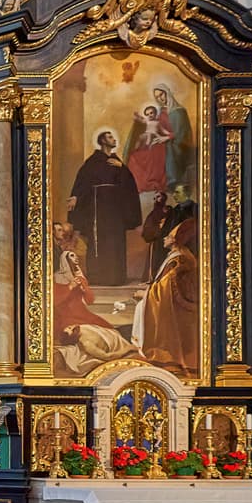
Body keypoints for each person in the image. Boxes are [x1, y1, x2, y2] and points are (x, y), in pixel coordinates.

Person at [69, 129, 143, 284]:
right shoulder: (92, 161)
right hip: (97, 208)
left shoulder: (118, 162)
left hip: (115, 210)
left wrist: (122, 168)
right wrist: (76, 196)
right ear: (102, 141)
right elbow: (82, 181)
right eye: (109, 136)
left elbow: (129, 184)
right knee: (99, 242)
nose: (113, 139)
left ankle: (116, 277)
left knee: (115, 241)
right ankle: (98, 277)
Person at [139, 208, 202, 373]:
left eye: (168, 236)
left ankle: (164, 356)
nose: (164, 238)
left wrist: (145, 294)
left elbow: (164, 289)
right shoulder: (179, 256)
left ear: (175, 240)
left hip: (175, 310)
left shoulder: (179, 259)